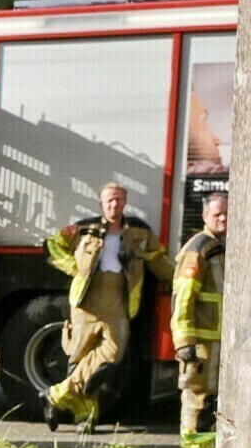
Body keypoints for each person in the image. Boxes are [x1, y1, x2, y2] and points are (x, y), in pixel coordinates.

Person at [43, 183, 174, 431]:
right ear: (101, 204)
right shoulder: (83, 228)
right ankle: (86, 418)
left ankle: (57, 394)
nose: (114, 205)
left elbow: (158, 258)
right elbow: (50, 245)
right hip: (87, 301)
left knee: (112, 355)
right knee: (81, 357)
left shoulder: (139, 231)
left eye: (118, 200)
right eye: (109, 201)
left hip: (118, 299)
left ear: (125, 202)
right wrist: (73, 268)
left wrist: (179, 279)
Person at [172, 191, 228, 448]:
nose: (223, 218)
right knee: (196, 400)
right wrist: (184, 340)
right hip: (201, 342)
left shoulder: (224, 246)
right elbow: (183, 297)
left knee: (214, 402)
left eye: (226, 213)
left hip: (219, 342)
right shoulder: (199, 248)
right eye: (217, 213)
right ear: (205, 216)